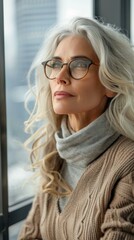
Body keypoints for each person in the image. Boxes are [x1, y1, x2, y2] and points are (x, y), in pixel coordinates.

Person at [18, 17, 134, 240]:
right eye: (55, 64)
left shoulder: (128, 162)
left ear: (110, 85)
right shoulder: (54, 149)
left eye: (79, 64)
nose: (60, 77)